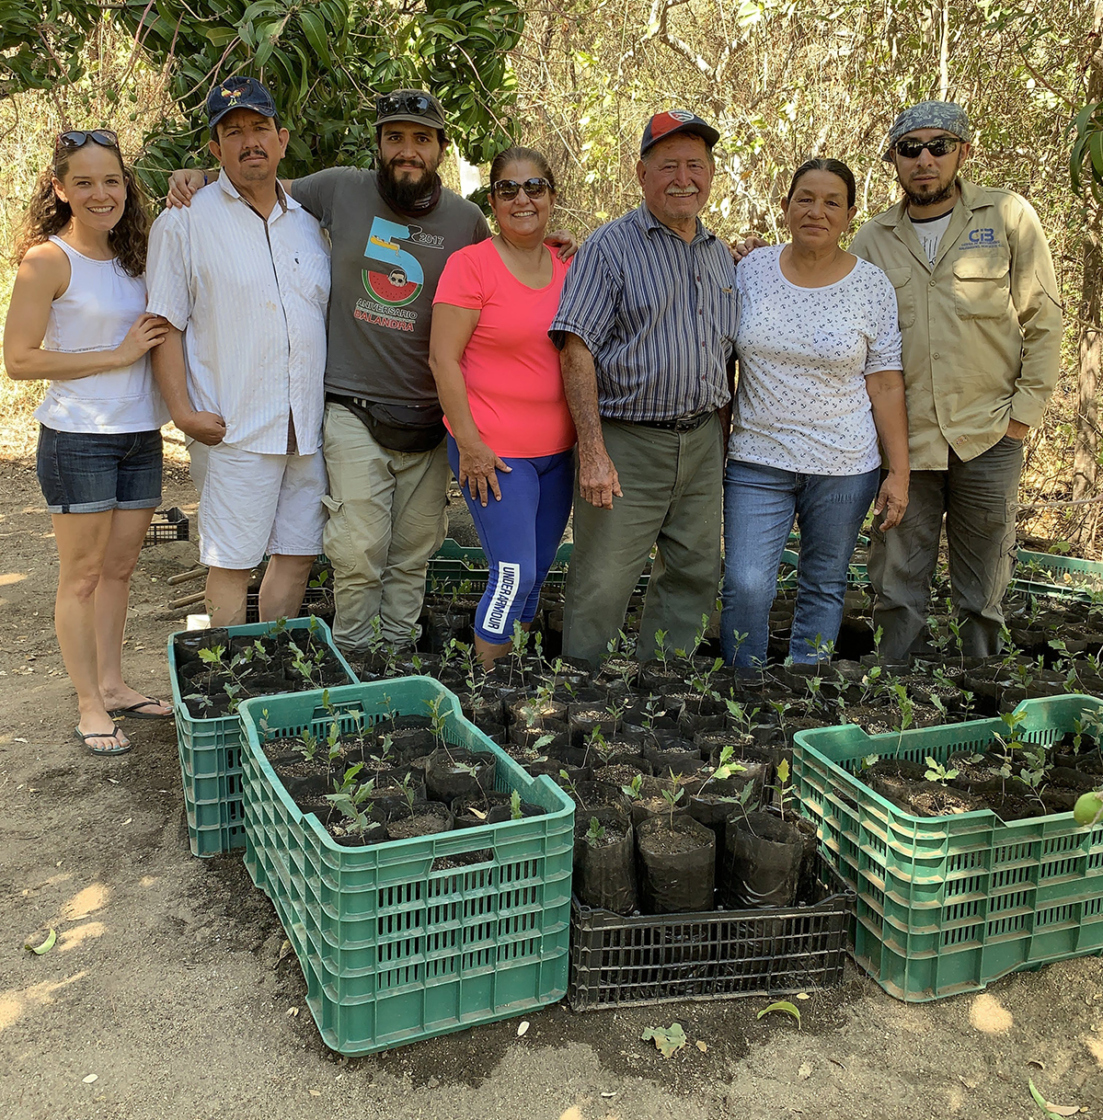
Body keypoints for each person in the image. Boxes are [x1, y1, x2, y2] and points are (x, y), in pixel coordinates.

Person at [167, 90, 575, 656]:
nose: (407, 150)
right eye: (394, 138)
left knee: (414, 552)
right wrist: (199, 176)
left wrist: (549, 244)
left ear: (440, 148)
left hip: (430, 417)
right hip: (353, 407)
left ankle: (398, 656)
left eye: (421, 139)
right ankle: (357, 657)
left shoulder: (465, 220)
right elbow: (261, 185)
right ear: (378, 145)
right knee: (357, 551)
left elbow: (507, 264)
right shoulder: (340, 188)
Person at [850, 101, 1062, 659]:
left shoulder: (1008, 217)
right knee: (895, 581)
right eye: (910, 149)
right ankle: (896, 686)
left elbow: (1044, 320)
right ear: (894, 159)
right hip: (905, 443)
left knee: (984, 585)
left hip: (989, 433)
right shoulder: (872, 239)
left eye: (938, 146)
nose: (924, 160)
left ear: (963, 152)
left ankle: (981, 683)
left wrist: (1021, 419)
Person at [549, 110, 740, 667]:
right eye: (669, 166)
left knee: (693, 572)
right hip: (627, 442)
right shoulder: (609, 248)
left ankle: (664, 684)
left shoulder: (720, 255)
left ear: (711, 174)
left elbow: (725, 353)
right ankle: (581, 692)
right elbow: (575, 348)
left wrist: (721, 440)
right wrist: (593, 450)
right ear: (641, 173)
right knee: (603, 578)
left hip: (702, 440)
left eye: (696, 166)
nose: (684, 179)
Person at [3, 128, 171, 755]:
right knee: (81, 576)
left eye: (112, 180)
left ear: (127, 185)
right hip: (79, 438)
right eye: (84, 182)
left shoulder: (136, 257)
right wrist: (117, 355)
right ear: (60, 189)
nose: (102, 194)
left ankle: (113, 684)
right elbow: (19, 360)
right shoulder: (48, 261)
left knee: (120, 570)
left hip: (140, 434)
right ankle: (88, 705)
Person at [146, 76, 331, 627]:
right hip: (234, 426)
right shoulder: (184, 221)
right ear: (215, 149)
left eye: (259, 128)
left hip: (306, 428)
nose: (250, 141)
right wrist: (183, 413)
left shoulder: (311, 224)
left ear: (282, 139)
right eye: (233, 132)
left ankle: (271, 658)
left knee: (297, 555)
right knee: (232, 562)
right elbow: (165, 324)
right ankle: (228, 668)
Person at [720, 158, 909, 668]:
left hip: (844, 466)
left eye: (831, 202)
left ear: (849, 215)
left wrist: (899, 472)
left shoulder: (871, 286)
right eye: (805, 199)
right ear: (785, 207)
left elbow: (885, 382)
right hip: (757, 459)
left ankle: (806, 688)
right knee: (745, 584)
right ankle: (743, 688)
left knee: (824, 583)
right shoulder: (750, 269)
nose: (816, 212)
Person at [429, 147, 575, 667]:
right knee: (513, 573)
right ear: (492, 201)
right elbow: (443, 359)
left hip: (557, 455)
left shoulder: (568, 267)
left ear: (551, 197)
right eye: (508, 189)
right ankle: (487, 682)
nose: (522, 199)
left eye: (534, 187)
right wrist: (469, 445)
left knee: (537, 573)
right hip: (493, 454)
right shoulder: (471, 266)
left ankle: (515, 680)